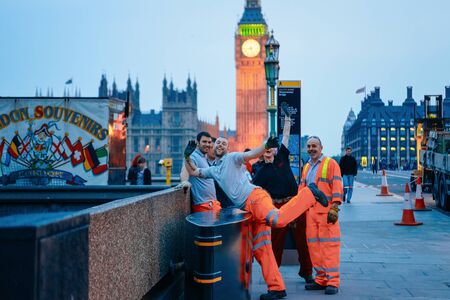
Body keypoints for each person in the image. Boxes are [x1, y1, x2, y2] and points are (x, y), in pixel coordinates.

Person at [184, 136, 329, 300]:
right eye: (218, 142)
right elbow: (194, 172)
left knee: (278, 219)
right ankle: (277, 288)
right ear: (213, 147)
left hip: (255, 198)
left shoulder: (233, 158)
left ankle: (309, 193)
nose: (220, 145)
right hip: (249, 209)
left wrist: (265, 145)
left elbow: (251, 154)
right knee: (262, 249)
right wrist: (187, 157)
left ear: (228, 149)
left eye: (224, 143)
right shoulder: (213, 170)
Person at [253, 114, 313, 283]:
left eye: (272, 146)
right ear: (263, 150)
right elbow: (253, 190)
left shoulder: (282, 157)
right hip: (277, 207)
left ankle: (307, 272)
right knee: (276, 243)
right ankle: (274, 275)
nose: (270, 149)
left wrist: (287, 120)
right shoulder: (259, 169)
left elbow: (285, 136)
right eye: (267, 147)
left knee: (302, 239)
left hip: (294, 202)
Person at [301, 136, 343, 295]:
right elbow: (303, 189)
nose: (311, 149)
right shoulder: (306, 167)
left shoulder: (330, 163)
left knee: (329, 247)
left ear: (321, 147)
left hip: (326, 214)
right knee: (314, 247)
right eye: (309, 146)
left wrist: (335, 206)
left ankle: (332, 281)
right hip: (310, 213)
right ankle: (321, 279)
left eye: (314, 146)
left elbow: (337, 185)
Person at [180, 132, 221, 213]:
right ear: (198, 143)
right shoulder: (192, 156)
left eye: (209, 142)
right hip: (203, 205)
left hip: (212, 204)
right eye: (204, 142)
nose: (207, 144)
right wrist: (184, 182)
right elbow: (185, 170)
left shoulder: (203, 157)